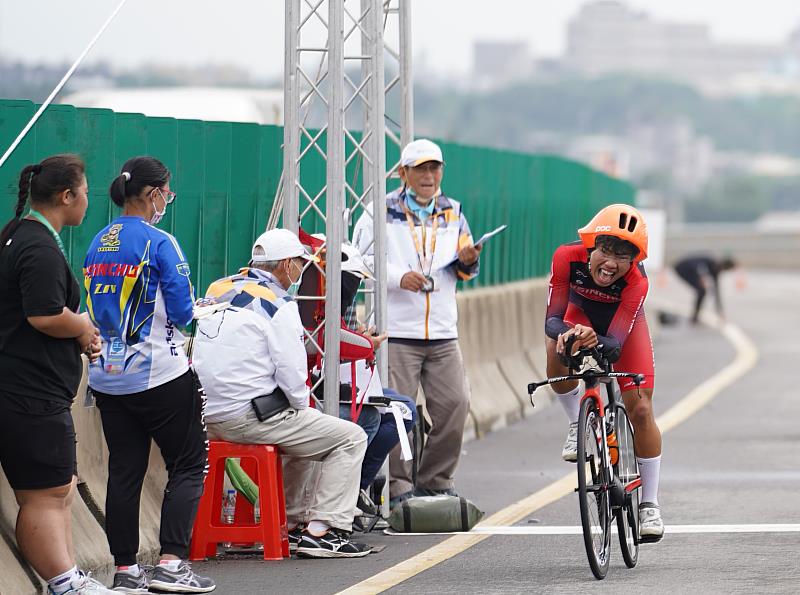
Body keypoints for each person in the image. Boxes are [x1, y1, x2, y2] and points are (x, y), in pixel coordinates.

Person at [192, 228, 372, 558]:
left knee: (304, 432)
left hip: (203, 415)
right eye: (301, 265)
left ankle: (286, 522)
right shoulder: (280, 304)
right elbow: (293, 375)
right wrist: (304, 408)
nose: (301, 272)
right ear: (287, 264)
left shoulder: (217, 288)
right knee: (349, 437)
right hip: (245, 416)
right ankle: (324, 529)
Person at [83, 157, 214, 593]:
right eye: (167, 193)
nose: (167, 202)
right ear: (154, 194)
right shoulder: (161, 242)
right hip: (161, 374)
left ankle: (125, 571)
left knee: (125, 471)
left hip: (107, 376)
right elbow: (181, 312)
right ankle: (172, 563)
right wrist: (202, 310)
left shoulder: (97, 241)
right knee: (190, 463)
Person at [0, 155, 113, 595]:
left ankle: (66, 576)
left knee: (58, 488)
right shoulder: (39, 247)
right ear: (67, 196)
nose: (87, 200)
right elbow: (44, 315)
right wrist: (83, 325)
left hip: (32, 387)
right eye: (85, 192)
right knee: (44, 493)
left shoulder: (19, 235)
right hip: (28, 390)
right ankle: (64, 582)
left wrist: (79, 330)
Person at [353, 138, 480, 505]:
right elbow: (359, 259)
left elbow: (466, 270)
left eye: (434, 168)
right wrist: (398, 277)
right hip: (398, 332)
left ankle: (436, 480)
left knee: (456, 405)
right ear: (404, 173)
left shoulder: (453, 211)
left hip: (442, 331)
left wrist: (468, 259)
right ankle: (400, 487)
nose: (429, 175)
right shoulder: (380, 211)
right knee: (399, 414)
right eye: (421, 169)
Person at [544, 203, 664, 542]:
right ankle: (575, 423)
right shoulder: (566, 257)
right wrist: (569, 334)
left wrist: (599, 340)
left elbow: (614, 345)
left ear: (633, 262)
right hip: (579, 315)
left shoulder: (637, 282)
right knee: (557, 345)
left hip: (621, 330)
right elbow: (552, 319)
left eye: (623, 256)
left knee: (640, 409)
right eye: (606, 250)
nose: (611, 263)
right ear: (592, 245)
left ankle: (650, 505)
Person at [673, 255, 737, 324]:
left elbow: (716, 292)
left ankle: (695, 316)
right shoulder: (712, 263)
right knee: (702, 291)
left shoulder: (716, 271)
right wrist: (700, 276)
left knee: (702, 291)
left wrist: (720, 311)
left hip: (690, 270)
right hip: (682, 268)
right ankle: (694, 317)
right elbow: (696, 265)